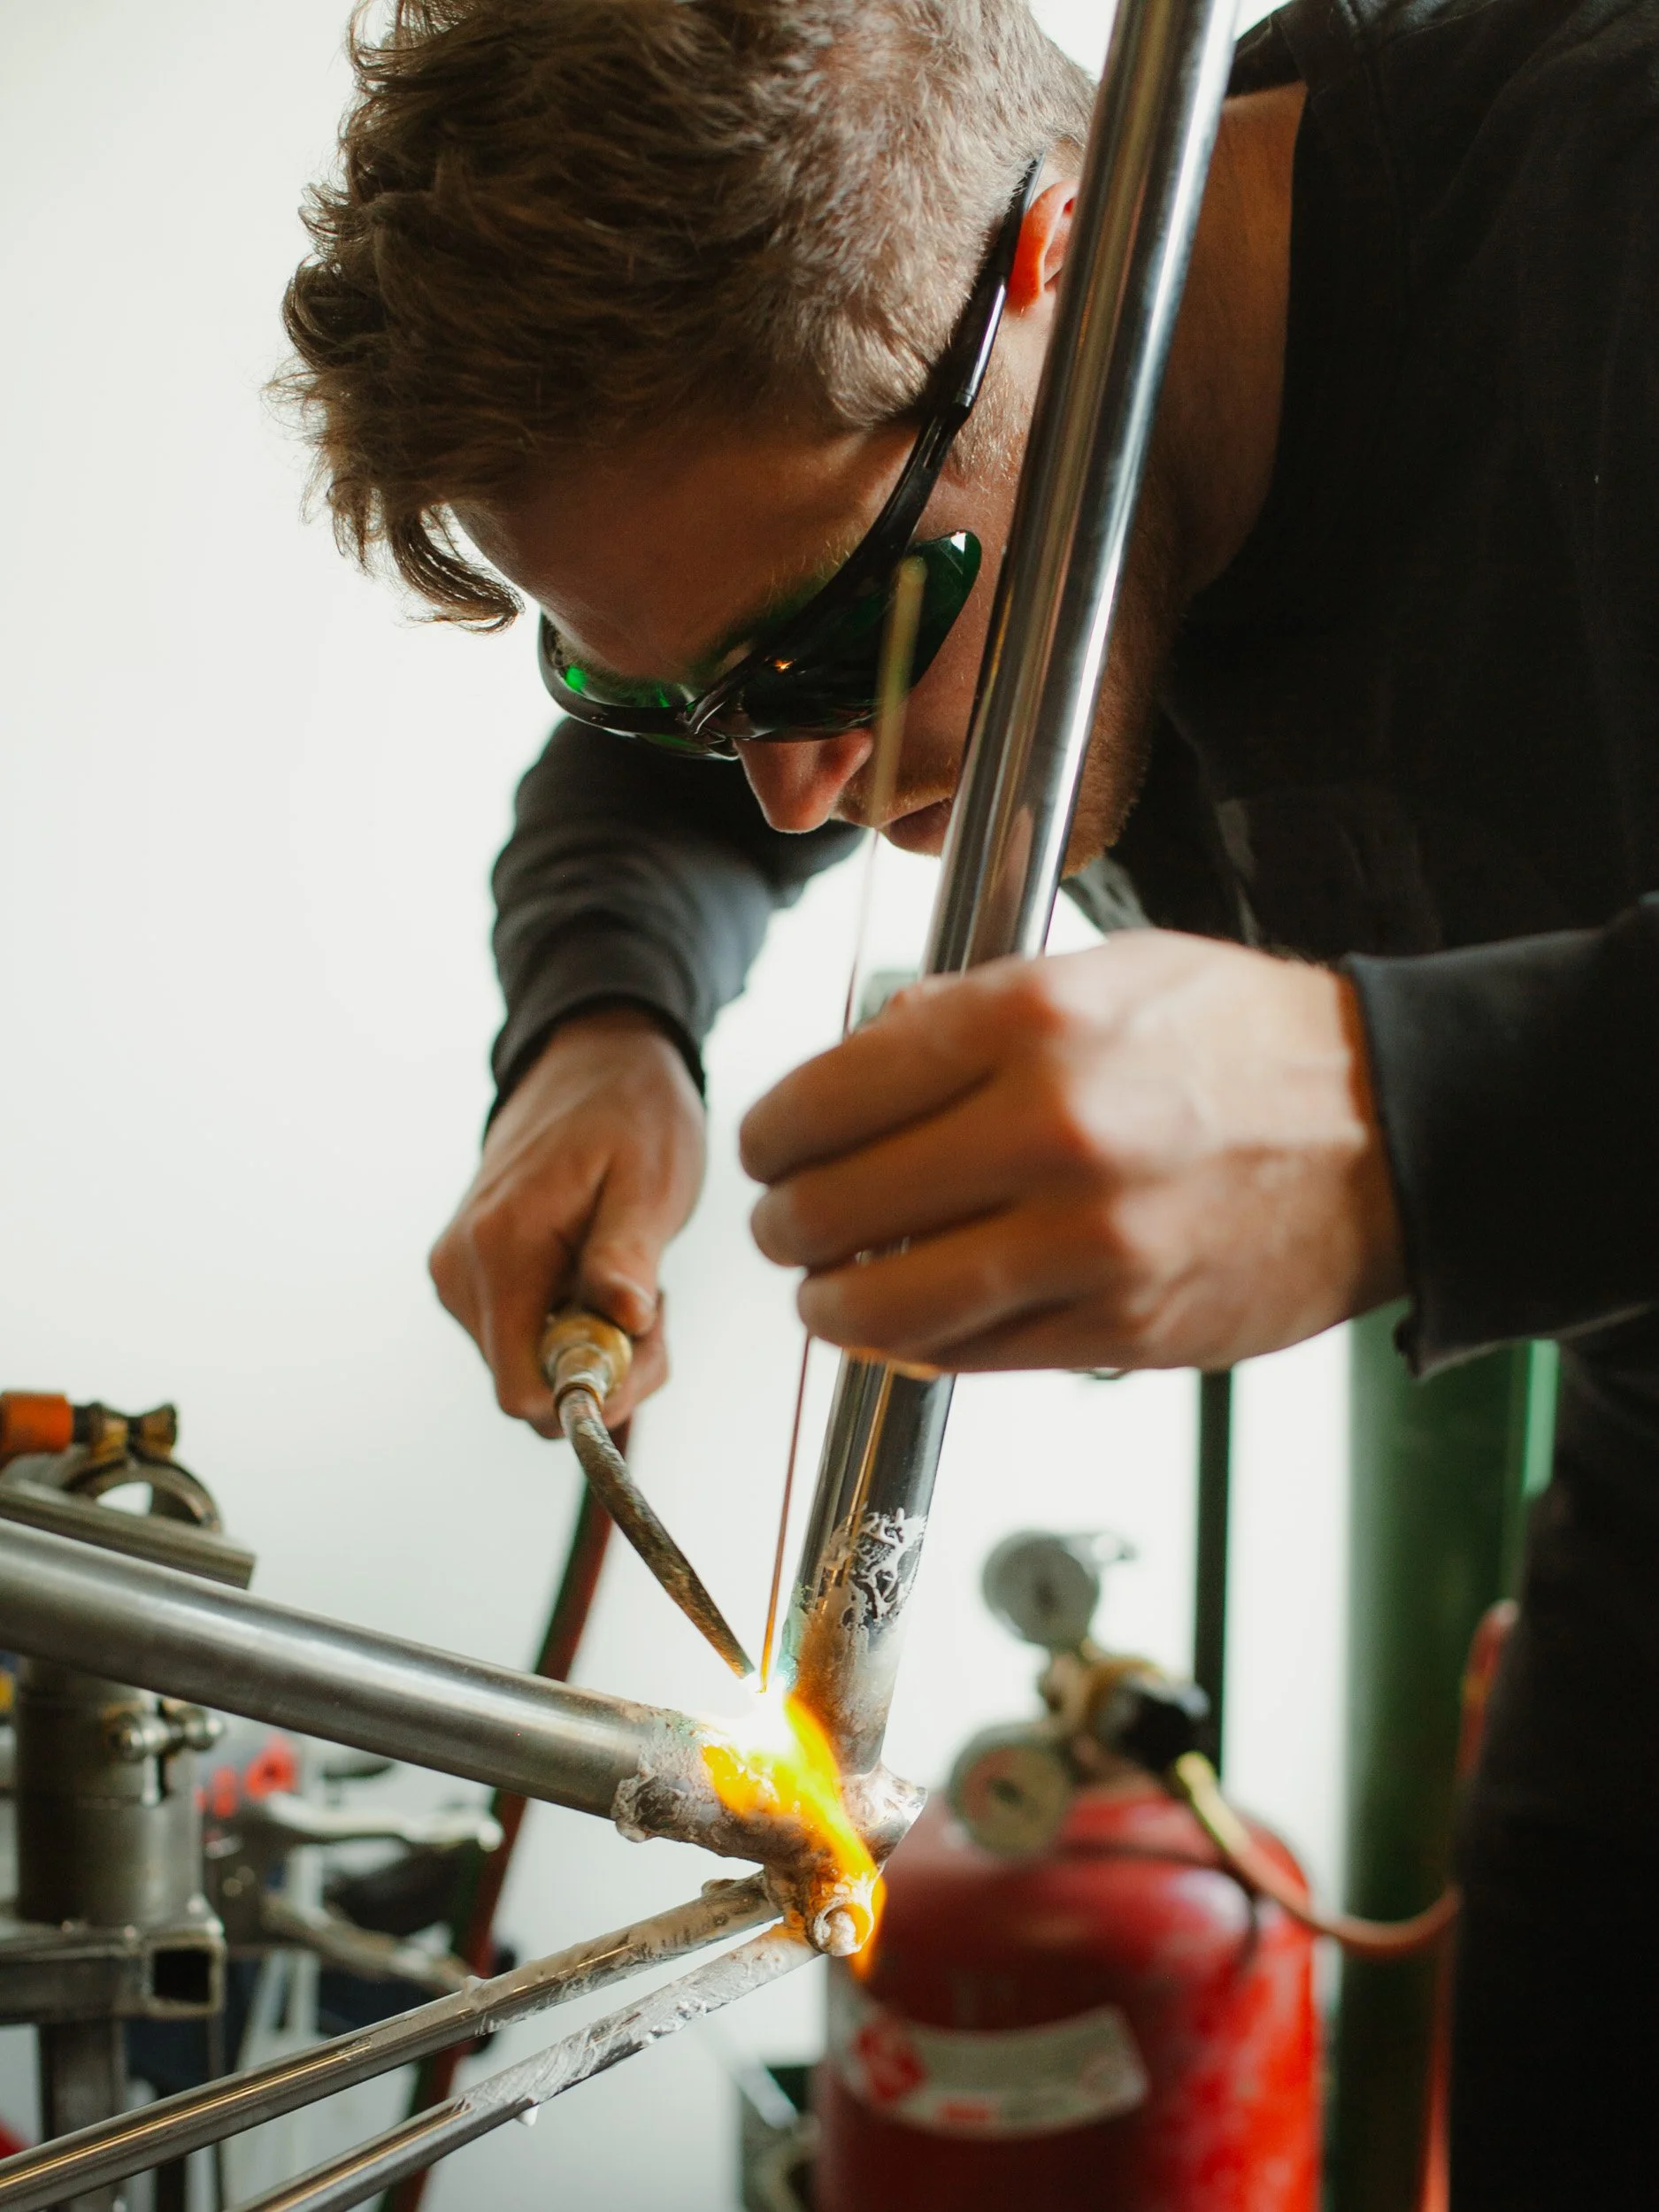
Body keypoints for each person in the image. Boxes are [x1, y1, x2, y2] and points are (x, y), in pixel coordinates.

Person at [281, 0, 1659, 2201]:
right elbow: (669, 783)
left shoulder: (1603, 214)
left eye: (827, 653)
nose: (801, 778)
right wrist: (599, 1033)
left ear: (1051, 262)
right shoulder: (898, 504)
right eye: (675, 682)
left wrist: (1407, 1115)